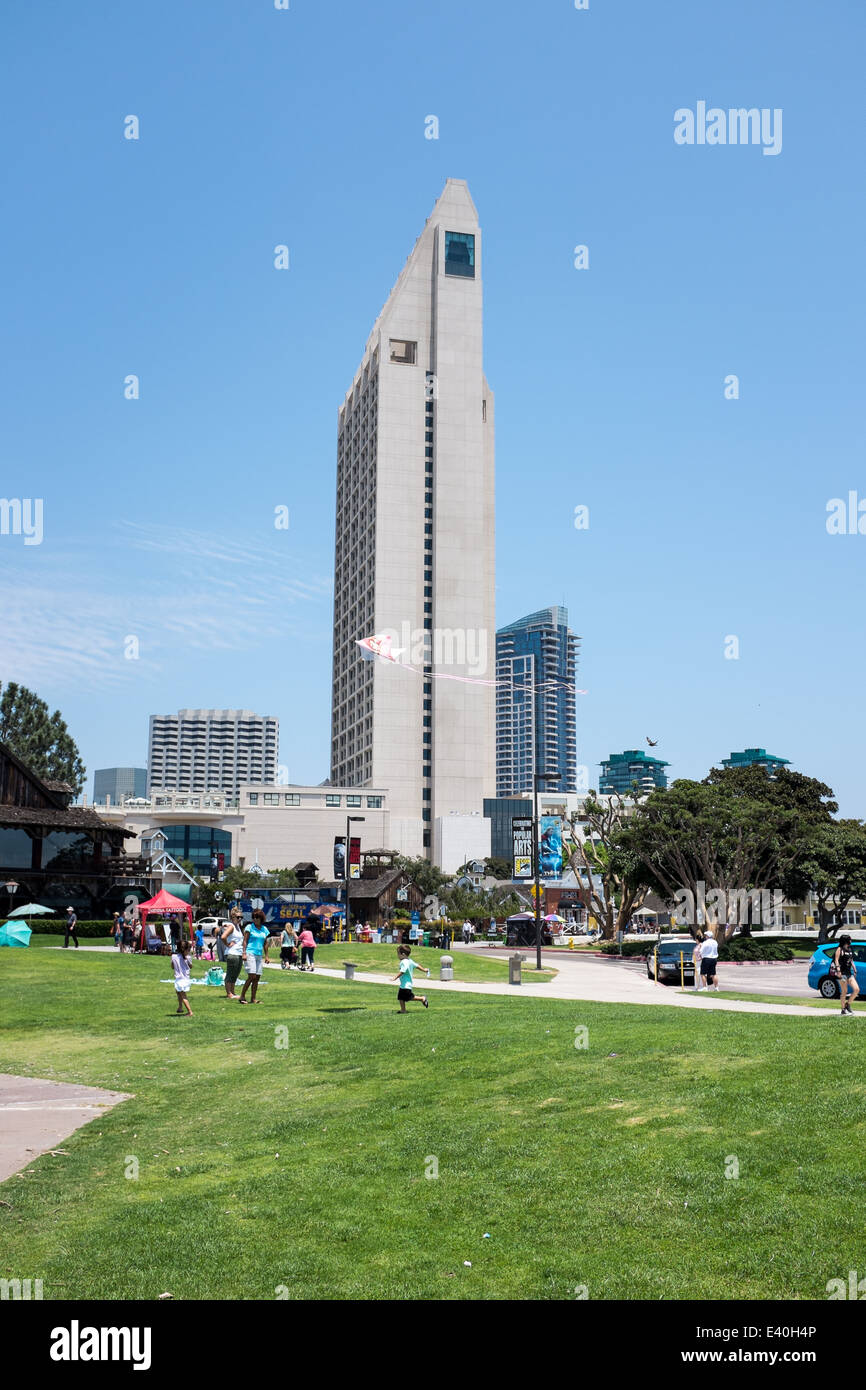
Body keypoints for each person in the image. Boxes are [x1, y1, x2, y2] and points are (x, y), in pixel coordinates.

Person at [239, 909, 270, 1004]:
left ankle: (253, 998)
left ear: (261, 918)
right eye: (254, 917)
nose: (255, 919)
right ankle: (242, 996)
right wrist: (244, 953)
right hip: (250, 953)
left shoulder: (264, 929)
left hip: (259, 955)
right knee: (252, 976)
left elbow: (265, 943)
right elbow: (245, 941)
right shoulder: (249, 927)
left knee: (257, 977)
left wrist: (267, 956)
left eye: (257, 917)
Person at [392, 944, 430, 1013]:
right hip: (405, 984)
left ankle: (422, 998)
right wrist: (424, 970)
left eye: (398, 954)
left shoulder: (404, 962)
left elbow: (403, 971)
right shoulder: (410, 960)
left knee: (409, 997)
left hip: (406, 985)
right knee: (401, 997)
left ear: (403, 954)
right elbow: (417, 966)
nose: (397, 956)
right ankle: (403, 1010)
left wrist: (395, 977)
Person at [221, 910, 245, 999]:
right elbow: (223, 936)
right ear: (232, 918)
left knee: (236, 974)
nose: (240, 919)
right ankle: (229, 993)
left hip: (238, 953)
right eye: (238, 917)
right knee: (230, 974)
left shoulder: (238, 927)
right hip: (232, 953)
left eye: (241, 917)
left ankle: (232, 992)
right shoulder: (231, 927)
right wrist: (227, 944)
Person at [834, 933, 859, 1016]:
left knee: (856, 989)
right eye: (849, 939)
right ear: (846, 940)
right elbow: (836, 960)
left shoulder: (849, 949)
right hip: (842, 974)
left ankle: (848, 1004)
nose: (850, 941)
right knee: (844, 991)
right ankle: (843, 1009)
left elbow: (851, 960)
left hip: (849, 973)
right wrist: (838, 970)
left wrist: (854, 969)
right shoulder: (839, 949)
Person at [171, 938, 193, 1017]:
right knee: (178, 992)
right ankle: (180, 1007)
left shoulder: (173, 956)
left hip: (180, 980)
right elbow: (191, 967)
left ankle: (190, 1011)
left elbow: (172, 966)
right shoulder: (188, 958)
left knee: (183, 995)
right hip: (185, 979)